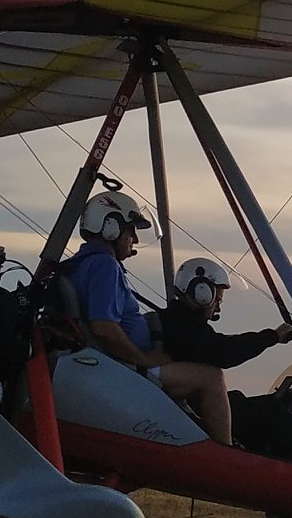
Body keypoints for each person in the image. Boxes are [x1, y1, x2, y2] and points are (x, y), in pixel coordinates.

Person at [59, 191, 234, 446]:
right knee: (211, 378)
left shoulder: (84, 263)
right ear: (110, 227)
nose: (135, 239)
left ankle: (202, 438)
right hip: (125, 367)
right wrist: (143, 360)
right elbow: (103, 327)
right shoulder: (104, 266)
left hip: (117, 362)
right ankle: (227, 456)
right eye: (131, 230)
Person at [158, 257, 292, 370]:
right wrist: (273, 336)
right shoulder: (183, 326)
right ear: (202, 294)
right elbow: (224, 352)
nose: (217, 309)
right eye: (216, 300)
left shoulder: (178, 321)